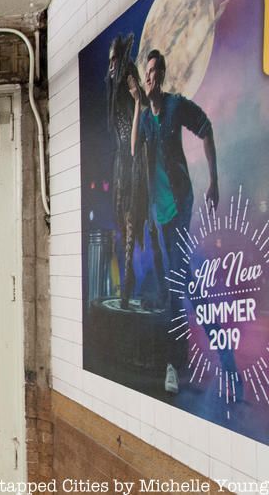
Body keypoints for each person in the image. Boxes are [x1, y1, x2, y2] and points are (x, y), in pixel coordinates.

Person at [128, 49, 219, 394]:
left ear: (162, 75)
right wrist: (137, 104)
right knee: (187, 281)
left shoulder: (175, 105)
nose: (150, 76)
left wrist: (214, 182)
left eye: (155, 71)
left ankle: (173, 366)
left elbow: (206, 128)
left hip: (180, 206)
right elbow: (134, 149)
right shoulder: (146, 118)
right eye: (147, 71)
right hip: (160, 215)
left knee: (176, 284)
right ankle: (220, 342)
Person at [105, 35, 161, 310]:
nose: (111, 65)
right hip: (124, 159)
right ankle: (130, 285)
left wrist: (137, 100)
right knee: (127, 220)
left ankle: (138, 286)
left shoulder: (127, 76)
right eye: (110, 61)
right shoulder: (114, 83)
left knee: (142, 221)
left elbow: (140, 107)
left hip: (137, 158)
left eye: (114, 59)